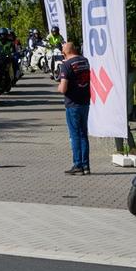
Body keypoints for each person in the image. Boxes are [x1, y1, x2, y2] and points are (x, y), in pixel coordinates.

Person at [58, 42, 91, 175]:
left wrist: (59, 87)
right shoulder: (85, 61)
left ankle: (77, 165)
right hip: (85, 102)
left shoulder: (66, 65)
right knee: (83, 134)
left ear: (64, 52)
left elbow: (63, 88)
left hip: (72, 104)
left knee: (75, 135)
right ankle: (86, 166)